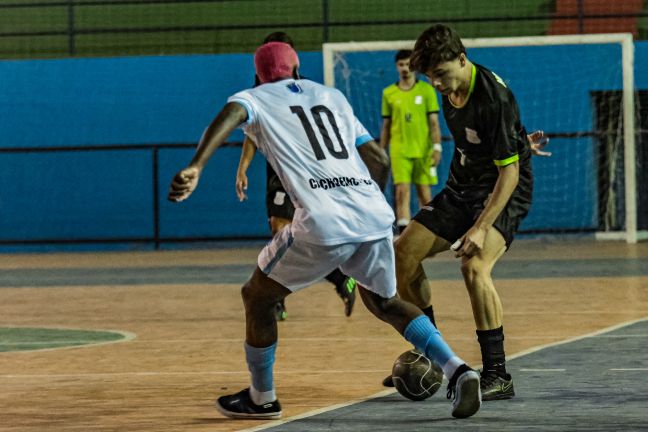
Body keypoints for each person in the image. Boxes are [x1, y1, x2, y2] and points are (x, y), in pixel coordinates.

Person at [168, 41, 482, 419]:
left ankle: (261, 397)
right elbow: (378, 159)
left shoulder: (255, 96)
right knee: (384, 302)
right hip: (372, 213)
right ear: (298, 69)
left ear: (258, 77)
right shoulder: (331, 96)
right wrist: (361, 203)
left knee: (257, 296)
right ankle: (459, 369)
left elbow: (230, 114)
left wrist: (197, 165)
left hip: (323, 219)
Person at [383, 23, 541, 401]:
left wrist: (481, 227)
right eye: (430, 77)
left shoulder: (492, 98)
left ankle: (498, 374)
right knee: (402, 254)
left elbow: (510, 171)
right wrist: (518, 139)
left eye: (441, 74)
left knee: (474, 266)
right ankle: (434, 356)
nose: (436, 83)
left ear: (462, 59)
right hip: (462, 187)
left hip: (504, 190)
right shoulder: (450, 89)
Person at [237, 31, 358, 320]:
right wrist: (242, 167)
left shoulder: (309, 90)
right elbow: (253, 132)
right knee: (282, 232)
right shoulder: (260, 89)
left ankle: (328, 281)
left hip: (307, 172)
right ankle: (287, 294)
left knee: (295, 235)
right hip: (279, 173)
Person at [380, 49, 442, 234]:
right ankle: (404, 232)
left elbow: (434, 123)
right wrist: (381, 150)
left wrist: (437, 147)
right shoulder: (389, 93)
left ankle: (428, 231)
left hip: (423, 150)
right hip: (399, 150)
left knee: (424, 193)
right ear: (396, 67)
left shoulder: (427, 90)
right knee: (401, 192)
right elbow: (386, 125)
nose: (405, 68)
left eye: (408, 64)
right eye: (401, 65)